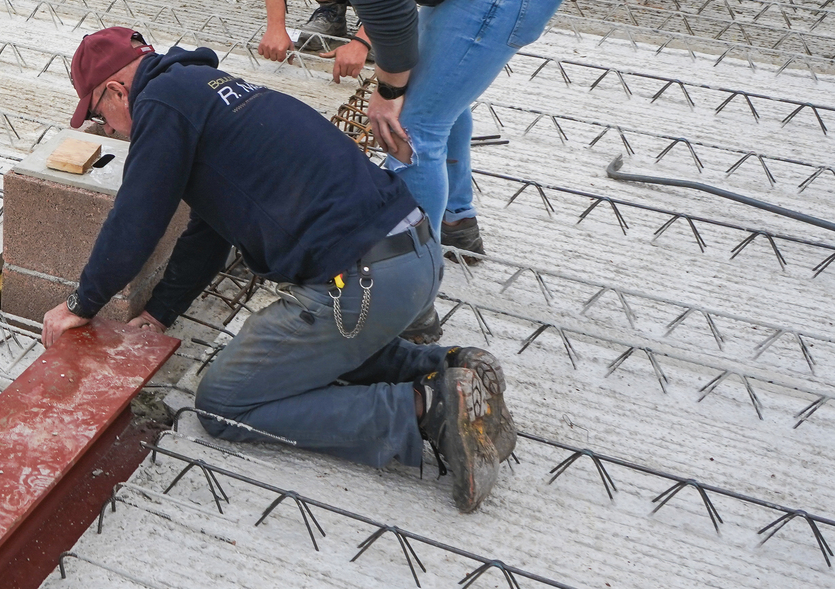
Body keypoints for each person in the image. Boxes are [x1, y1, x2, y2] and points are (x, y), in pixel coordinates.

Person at [42, 27, 512, 512]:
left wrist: (82, 302)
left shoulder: (160, 103)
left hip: (363, 281)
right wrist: (160, 313)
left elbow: (136, 217)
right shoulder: (203, 89)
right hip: (415, 256)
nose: (112, 131)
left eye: (100, 116)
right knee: (300, 359)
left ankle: (423, 412)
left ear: (117, 90)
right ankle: (450, 367)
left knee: (225, 401)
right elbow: (208, 231)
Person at [174, 0, 582, 338]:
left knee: (410, 125)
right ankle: (456, 222)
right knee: (434, 100)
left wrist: (387, 91)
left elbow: (388, 0)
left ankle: (410, 300)